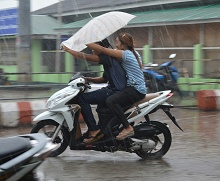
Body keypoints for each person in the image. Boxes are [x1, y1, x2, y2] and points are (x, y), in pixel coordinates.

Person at [61, 40, 126, 143]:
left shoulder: (106, 57)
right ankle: (100, 130)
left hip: (114, 91)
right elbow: (104, 79)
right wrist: (87, 79)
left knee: (82, 98)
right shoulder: (109, 58)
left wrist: (69, 50)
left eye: (94, 47)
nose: (92, 49)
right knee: (97, 103)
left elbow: (86, 57)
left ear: (101, 48)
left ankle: (94, 129)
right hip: (112, 89)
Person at [86, 32, 147, 140]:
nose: (116, 45)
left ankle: (127, 127)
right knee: (106, 103)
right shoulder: (134, 53)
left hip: (135, 89)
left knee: (111, 101)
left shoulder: (125, 54)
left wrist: (85, 41)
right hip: (137, 88)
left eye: (117, 42)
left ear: (123, 44)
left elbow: (104, 50)